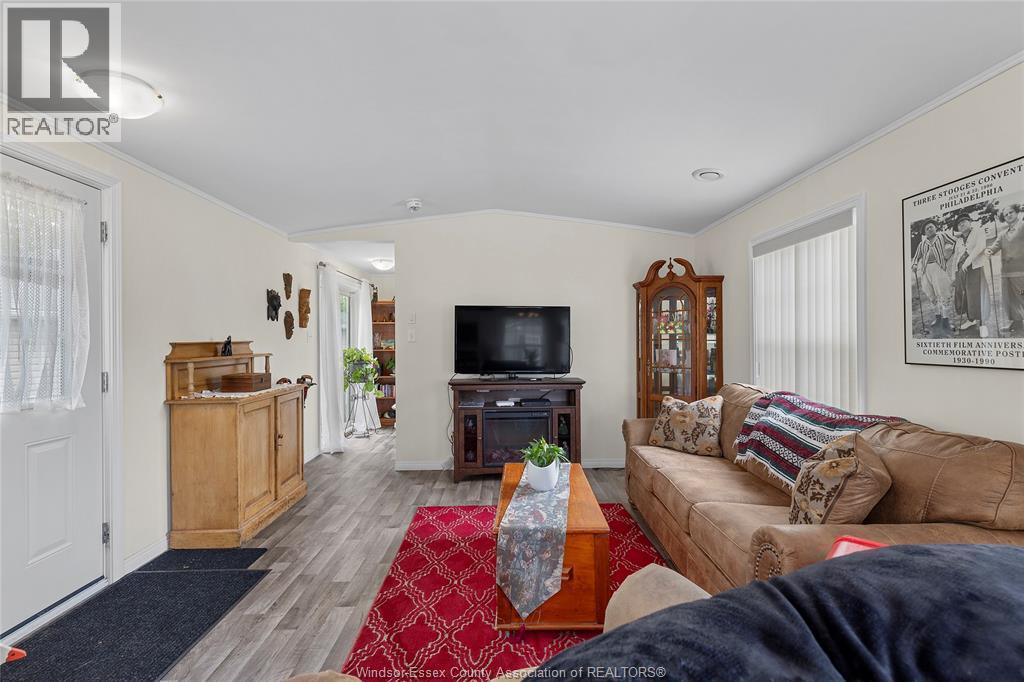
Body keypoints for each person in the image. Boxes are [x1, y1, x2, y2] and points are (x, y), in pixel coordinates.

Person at [912, 220, 955, 335]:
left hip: (938, 267)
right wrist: (915, 264)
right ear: (925, 233)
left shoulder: (942, 236)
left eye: (931, 227)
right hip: (926, 271)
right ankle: (938, 318)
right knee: (931, 295)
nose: (929, 229)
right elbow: (916, 257)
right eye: (927, 229)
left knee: (944, 293)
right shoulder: (922, 244)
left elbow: (955, 243)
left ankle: (946, 321)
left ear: (935, 228)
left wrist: (948, 254)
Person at [986, 203, 1024, 335]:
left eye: (1011, 212)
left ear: (1017, 212)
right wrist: (989, 251)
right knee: (1009, 299)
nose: (1008, 215)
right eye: (1006, 214)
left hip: (1021, 270)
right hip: (1006, 272)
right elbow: (995, 246)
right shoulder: (1002, 234)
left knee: (1022, 297)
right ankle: (1017, 323)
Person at [954, 215, 989, 335]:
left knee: (978, 295)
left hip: (975, 267)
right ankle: (971, 319)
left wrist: (967, 261)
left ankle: (983, 324)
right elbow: (956, 256)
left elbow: (980, 247)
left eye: (964, 221)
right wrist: (955, 272)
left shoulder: (978, 231)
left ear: (970, 222)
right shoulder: (959, 240)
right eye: (959, 223)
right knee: (966, 295)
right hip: (961, 270)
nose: (961, 224)